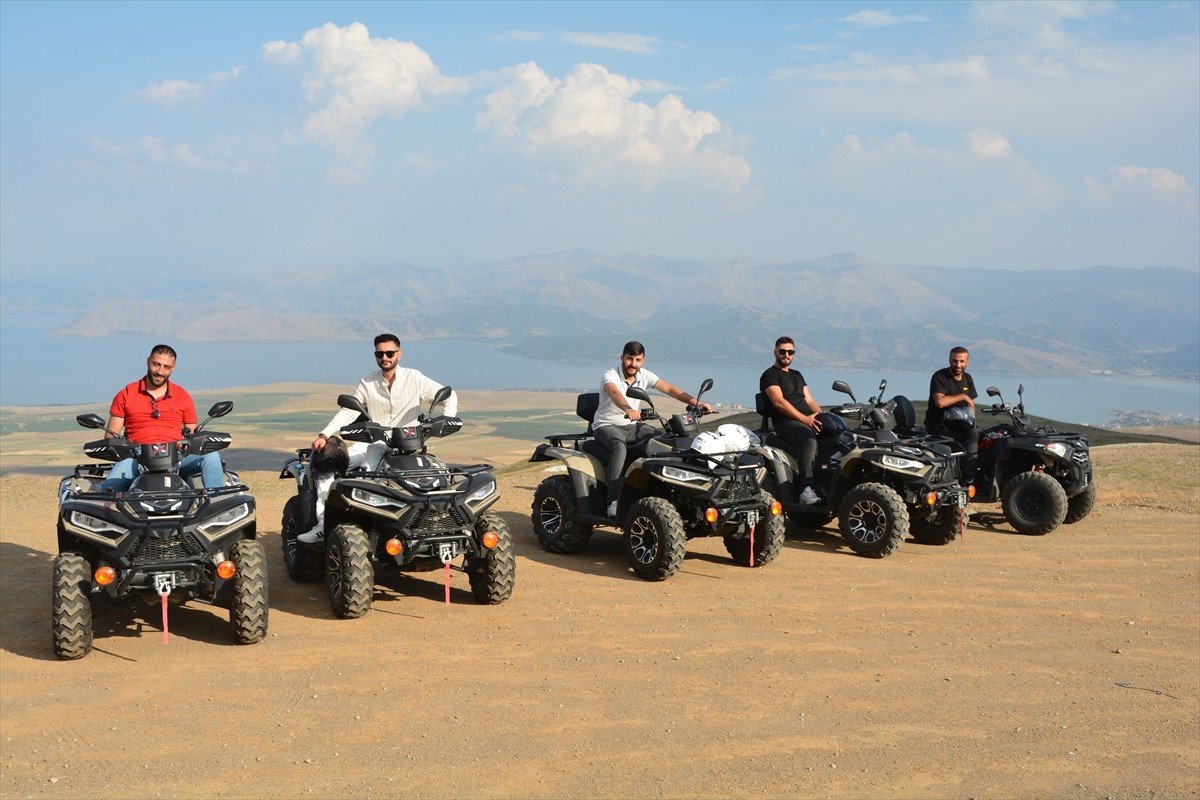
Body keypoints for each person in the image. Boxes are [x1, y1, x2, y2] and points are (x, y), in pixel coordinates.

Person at [298, 334, 458, 542]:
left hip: (410, 445)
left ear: (399, 354)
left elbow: (449, 396)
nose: (385, 357)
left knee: (440, 477)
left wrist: (446, 420)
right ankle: (323, 525)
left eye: (390, 353)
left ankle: (435, 524)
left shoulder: (414, 378)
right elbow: (349, 411)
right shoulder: (367, 382)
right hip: (375, 443)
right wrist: (325, 434)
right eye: (380, 353)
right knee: (327, 465)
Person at [593, 341, 713, 518]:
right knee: (619, 447)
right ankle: (613, 501)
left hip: (632, 426)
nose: (633, 364)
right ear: (622, 358)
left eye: (638, 360)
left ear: (643, 360)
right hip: (606, 425)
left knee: (663, 440)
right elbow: (614, 393)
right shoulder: (610, 375)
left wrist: (697, 403)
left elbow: (670, 389)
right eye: (629, 359)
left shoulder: (644, 375)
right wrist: (628, 409)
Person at [100, 344, 224, 492]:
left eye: (166, 367)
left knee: (211, 456)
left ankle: (216, 499)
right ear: (148, 361)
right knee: (110, 488)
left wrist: (185, 447)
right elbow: (111, 436)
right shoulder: (126, 394)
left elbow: (191, 435)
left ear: (173, 368)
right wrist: (127, 450)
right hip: (137, 457)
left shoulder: (182, 396)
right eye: (156, 364)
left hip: (176, 456)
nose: (160, 371)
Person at [759, 336, 823, 504]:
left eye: (790, 352)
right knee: (809, 440)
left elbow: (809, 400)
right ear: (775, 352)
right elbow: (779, 402)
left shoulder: (797, 375)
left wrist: (823, 417)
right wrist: (805, 419)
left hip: (806, 419)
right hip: (786, 422)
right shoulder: (770, 375)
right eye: (782, 351)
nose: (786, 355)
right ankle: (805, 489)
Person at [925, 345, 979, 485]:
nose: (958, 365)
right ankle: (962, 480)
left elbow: (971, 404)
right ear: (949, 360)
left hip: (962, 425)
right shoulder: (940, 377)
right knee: (968, 437)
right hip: (940, 427)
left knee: (981, 435)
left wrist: (972, 421)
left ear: (967, 362)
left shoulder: (968, 378)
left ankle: (975, 477)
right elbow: (940, 402)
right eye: (955, 361)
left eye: (962, 361)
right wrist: (962, 396)